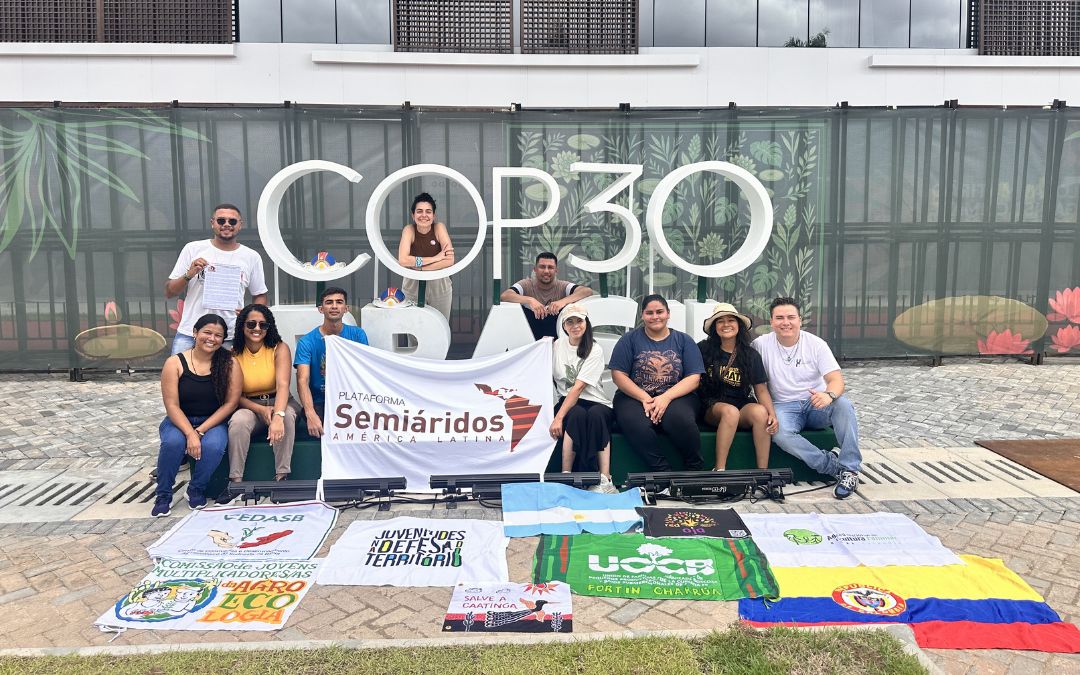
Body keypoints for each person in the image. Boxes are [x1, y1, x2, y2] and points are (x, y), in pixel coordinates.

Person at [752, 297, 863, 499]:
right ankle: (833, 467)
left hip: (815, 402)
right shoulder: (760, 345)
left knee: (844, 405)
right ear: (771, 321)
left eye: (791, 317)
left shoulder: (816, 344)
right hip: (783, 406)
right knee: (780, 434)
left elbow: (836, 380)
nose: (786, 322)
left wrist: (828, 395)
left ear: (800, 320)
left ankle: (851, 468)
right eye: (779, 318)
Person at [152, 314, 242, 517]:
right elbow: (171, 405)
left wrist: (200, 431)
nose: (212, 338)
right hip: (179, 420)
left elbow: (231, 403)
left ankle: (195, 489)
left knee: (214, 446)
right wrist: (190, 433)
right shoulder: (174, 363)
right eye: (207, 332)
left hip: (213, 421)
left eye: (218, 335)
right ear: (195, 333)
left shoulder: (230, 363)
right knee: (173, 443)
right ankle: (163, 494)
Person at [609, 294, 705, 472]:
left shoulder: (684, 341)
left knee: (680, 419)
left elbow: (694, 378)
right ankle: (662, 472)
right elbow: (618, 375)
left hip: (677, 395)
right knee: (634, 422)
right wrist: (645, 398)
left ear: (668, 314)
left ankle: (694, 468)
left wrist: (665, 397)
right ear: (642, 315)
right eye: (649, 313)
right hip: (634, 396)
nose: (655, 317)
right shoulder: (628, 340)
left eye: (660, 312)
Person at [165, 203, 268, 354]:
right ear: (212, 223)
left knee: (228, 371)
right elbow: (170, 292)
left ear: (240, 225)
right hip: (191, 333)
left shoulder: (251, 257)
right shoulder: (192, 249)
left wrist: (250, 314)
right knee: (180, 370)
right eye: (221, 220)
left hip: (229, 336)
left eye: (232, 221)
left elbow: (260, 294)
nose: (227, 224)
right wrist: (189, 274)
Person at [226, 304, 302, 488]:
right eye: (251, 324)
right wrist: (261, 410)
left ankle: (282, 477)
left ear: (270, 327)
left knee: (286, 417)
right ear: (242, 326)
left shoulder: (279, 348)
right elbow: (234, 396)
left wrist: (278, 415)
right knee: (238, 421)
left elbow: (283, 385)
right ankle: (236, 482)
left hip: (281, 401)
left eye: (263, 324)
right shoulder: (233, 354)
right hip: (250, 405)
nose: (257, 328)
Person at [697, 303, 777, 471]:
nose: (726, 324)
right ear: (714, 327)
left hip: (741, 404)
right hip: (712, 406)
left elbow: (761, 389)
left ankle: (763, 472)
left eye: (731, 320)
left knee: (760, 412)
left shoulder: (750, 354)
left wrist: (772, 415)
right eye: (720, 321)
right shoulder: (703, 349)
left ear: (739, 325)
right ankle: (720, 470)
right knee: (730, 412)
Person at [550, 304, 617, 494]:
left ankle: (605, 479)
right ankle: (566, 475)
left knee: (596, 415)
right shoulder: (556, 346)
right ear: (564, 326)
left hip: (596, 401)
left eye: (579, 321)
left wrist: (558, 418)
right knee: (576, 414)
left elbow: (579, 387)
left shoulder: (594, 349)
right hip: (568, 401)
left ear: (586, 323)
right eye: (569, 322)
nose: (575, 326)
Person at [294, 286, 369, 437]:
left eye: (339, 302)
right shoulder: (306, 342)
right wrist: (310, 413)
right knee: (326, 429)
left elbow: (365, 371)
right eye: (329, 302)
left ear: (346, 308)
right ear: (321, 309)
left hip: (352, 400)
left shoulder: (357, 335)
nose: (334, 306)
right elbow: (302, 380)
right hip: (321, 402)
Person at [500, 252, 593, 339]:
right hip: (528, 339)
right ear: (535, 269)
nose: (546, 271)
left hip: (557, 339)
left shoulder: (562, 286)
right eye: (542, 267)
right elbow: (505, 296)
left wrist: (562, 302)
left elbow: (586, 291)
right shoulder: (526, 284)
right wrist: (530, 300)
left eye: (550, 267)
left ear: (556, 270)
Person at [396, 192, 454, 319]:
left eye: (428, 211)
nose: (424, 215)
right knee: (412, 326)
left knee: (440, 325)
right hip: (413, 285)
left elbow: (449, 260)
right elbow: (403, 260)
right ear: (413, 215)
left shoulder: (439, 227)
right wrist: (435, 258)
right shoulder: (409, 230)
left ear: (433, 215)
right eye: (419, 211)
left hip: (439, 285)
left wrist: (421, 268)